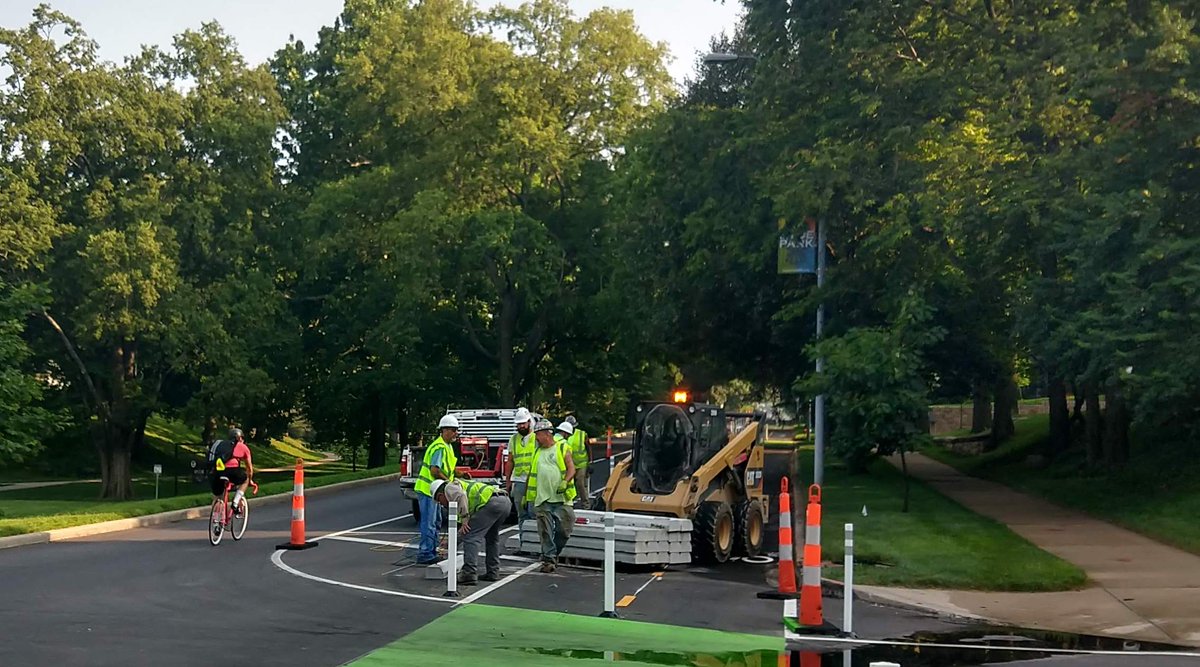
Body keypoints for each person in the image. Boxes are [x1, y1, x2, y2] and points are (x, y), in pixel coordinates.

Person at [430, 479, 507, 585]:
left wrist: (465, 518)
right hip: (504, 501)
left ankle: (469, 573)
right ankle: (493, 572)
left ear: (440, 495)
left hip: (491, 503)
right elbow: (463, 530)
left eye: (439, 501)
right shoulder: (459, 497)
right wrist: (451, 543)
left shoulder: (449, 488)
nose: (441, 504)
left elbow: (461, 495)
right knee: (492, 538)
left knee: (472, 538)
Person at [526, 419, 576, 572]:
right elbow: (532, 473)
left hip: (562, 499)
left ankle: (553, 553)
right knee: (545, 531)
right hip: (542, 499)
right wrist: (527, 496)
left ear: (547, 434)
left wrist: (565, 482)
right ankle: (549, 559)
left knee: (565, 530)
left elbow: (571, 469)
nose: (536, 438)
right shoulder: (537, 452)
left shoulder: (561, 447)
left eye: (538, 435)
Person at [414, 415, 459, 565]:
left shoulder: (447, 446)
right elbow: (435, 470)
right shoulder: (439, 447)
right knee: (430, 522)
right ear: (444, 430)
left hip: (434, 491)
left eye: (456, 430)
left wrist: (459, 474)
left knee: (436, 521)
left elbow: (447, 468)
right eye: (453, 430)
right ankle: (426, 553)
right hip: (428, 490)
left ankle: (431, 551)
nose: (455, 433)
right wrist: (448, 483)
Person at [207, 427, 253, 517]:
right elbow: (249, 468)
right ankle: (235, 502)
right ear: (240, 438)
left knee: (218, 495)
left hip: (217, 472)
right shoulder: (243, 447)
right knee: (245, 478)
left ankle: (216, 521)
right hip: (232, 472)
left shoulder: (221, 445)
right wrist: (250, 479)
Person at [504, 408, 536, 522]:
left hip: (534, 481)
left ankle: (534, 537)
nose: (521, 426)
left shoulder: (536, 438)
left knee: (533, 512)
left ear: (529, 422)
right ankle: (524, 538)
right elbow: (510, 461)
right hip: (518, 480)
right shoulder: (513, 439)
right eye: (518, 424)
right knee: (521, 514)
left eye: (523, 423)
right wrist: (508, 481)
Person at [559, 415, 589, 507]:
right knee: (569, 484)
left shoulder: (582, 434)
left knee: (580, 483)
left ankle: (585, 504)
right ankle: (570, 502)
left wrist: (590, 462)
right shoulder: (563, 436)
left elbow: (588, 447)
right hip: (568, 465)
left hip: (581, 464)